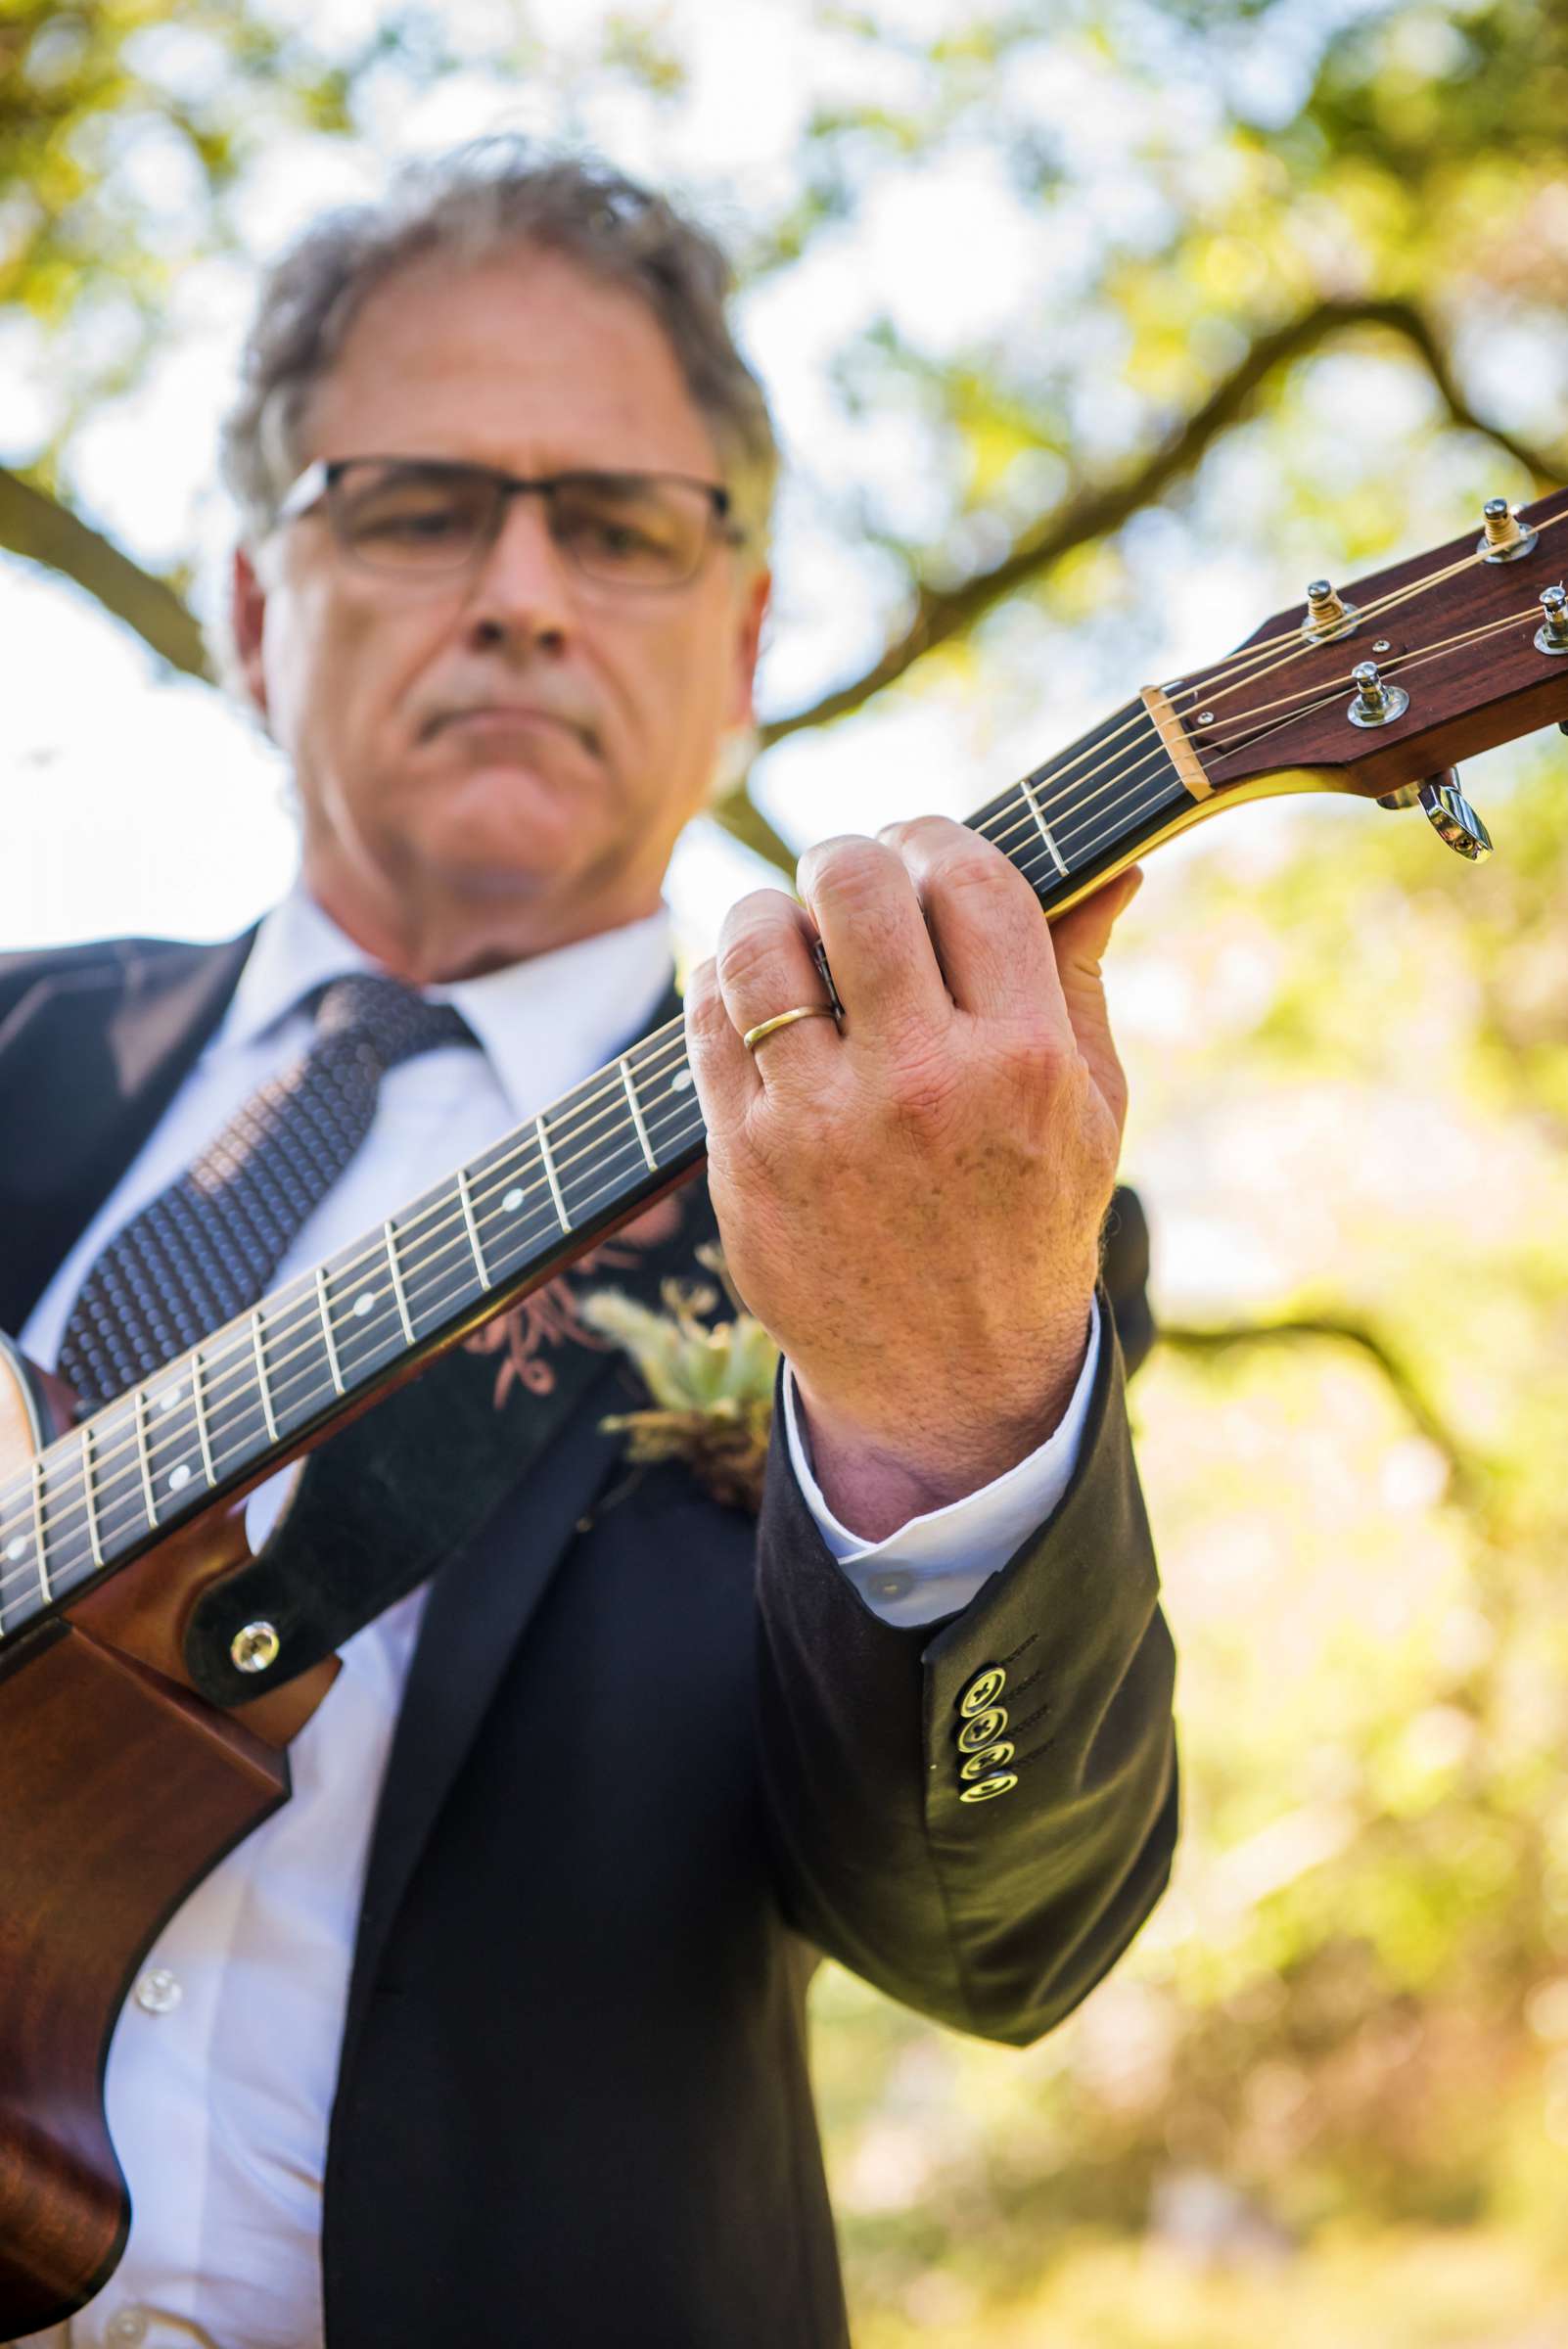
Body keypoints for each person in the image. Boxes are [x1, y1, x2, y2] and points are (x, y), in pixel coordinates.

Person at [1, 143, 1176, 2349]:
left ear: (736, 648)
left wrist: (956, 1394)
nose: (526, 591)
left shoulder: (918, 1199)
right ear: (257, 603)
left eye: (620, 528)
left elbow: (1003, 1936)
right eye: (421, 506)